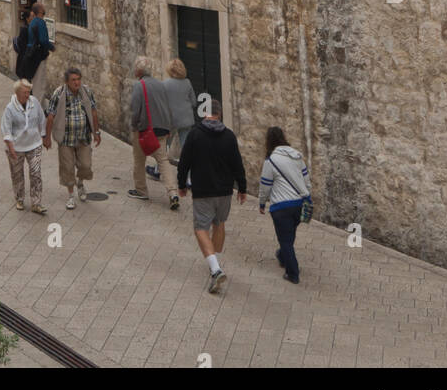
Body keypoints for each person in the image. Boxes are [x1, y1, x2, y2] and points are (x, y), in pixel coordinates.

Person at [177, 98, 247, 292]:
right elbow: (237, 164)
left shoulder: (195, 135)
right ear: (219, 114)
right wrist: (242, 188)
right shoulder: (229, 136)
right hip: (224, 190)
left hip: (203, 190)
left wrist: (181, 185)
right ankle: (214, 262)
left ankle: (215, 269)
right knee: (219, 223)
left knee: (200, 228)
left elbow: (184, 163)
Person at [258, 126, 312, 284]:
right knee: (289, 235)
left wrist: (262, 203)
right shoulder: (297, 156)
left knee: (286, 241)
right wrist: (307, 196)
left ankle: (293, 273)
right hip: (300, 204)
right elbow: (306, 180)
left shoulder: (270, 161)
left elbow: (265, 185)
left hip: (281, 207)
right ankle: (282, 256)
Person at [44, 67, 101, 209]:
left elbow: (93, 112)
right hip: (65, 138)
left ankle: (80, 183)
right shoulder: (59, 94)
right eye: (73, 80)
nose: (77, 83)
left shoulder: (86, 92)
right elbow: (50, 116)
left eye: (78, 79)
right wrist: (47, 137)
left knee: (85, 166)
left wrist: (97, 132)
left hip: (83, 137)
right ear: (67, 82)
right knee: (67, 168)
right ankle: (70, 196)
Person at [128, 56, 180, 208]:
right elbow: (168, 107)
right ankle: (173, 193)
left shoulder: (139, 86)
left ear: (138, 71)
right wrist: (168, 127)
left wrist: (133, 126)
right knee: (163, 161)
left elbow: (135, 110)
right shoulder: (161, 85)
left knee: (139, 160)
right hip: (162, 129)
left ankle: (141, 191)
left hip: (145, 129)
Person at [1, 78, 47, 214]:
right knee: (17, 174)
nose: (28, 95)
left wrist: (44, 136)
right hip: (16, 147)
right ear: (17, 93)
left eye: (29, 92)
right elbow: (6, 129)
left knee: (36, 173)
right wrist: (11, 148)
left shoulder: (34, 102)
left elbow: (41, 119)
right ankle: (19, 198)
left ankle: (36, 203)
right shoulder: (10, 109)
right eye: (25, 92)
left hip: (34, 144)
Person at [163, 58, 198, 162]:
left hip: (171, 121)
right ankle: (189, 176)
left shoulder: (165, 84)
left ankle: (158, 170)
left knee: (164, 145)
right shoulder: (187, 82)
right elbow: (194, 102)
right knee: (186, 147)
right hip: (186, 120)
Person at [24, 2, 55, 102]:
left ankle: (42, 107)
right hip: (38, 56)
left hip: (32, 54)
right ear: (41, 11)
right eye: (43, 8)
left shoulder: (32, 22)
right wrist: (51, 47)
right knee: (39, 83)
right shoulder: (40, 23)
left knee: (36, 81)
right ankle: (38, 109)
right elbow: (43, 40)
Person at [12, 10, 31, 75]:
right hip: (24, 59)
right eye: (32, 16)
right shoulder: (25, 29)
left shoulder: (28, 28)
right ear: (27, 18)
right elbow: (23, 46)